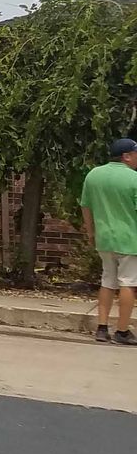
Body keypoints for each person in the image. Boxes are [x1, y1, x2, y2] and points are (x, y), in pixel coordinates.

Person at [79, 137, 137, 345]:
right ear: (126, 156)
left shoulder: (94, 175)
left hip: (104, 238)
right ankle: (122, 330)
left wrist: (90, 231)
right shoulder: (134, 179)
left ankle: (102, 328)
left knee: (107, 281)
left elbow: (85, 205)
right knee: (128, 283)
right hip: (130, 239)